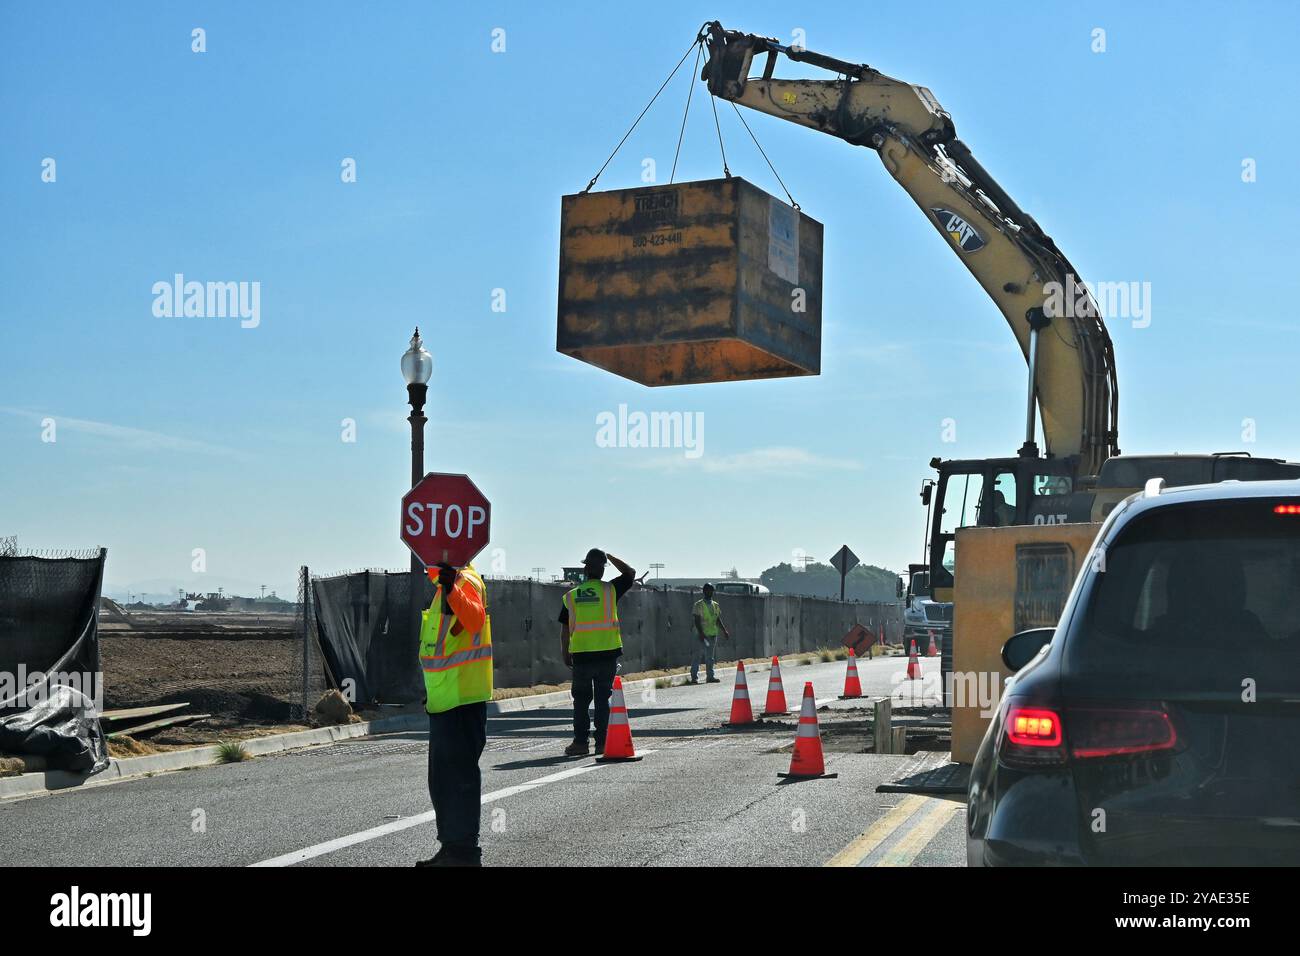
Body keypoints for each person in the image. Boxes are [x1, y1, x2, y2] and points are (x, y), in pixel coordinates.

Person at [416, 562, 491, 867]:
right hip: (447, 698)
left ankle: (462, 852)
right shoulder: (444, 586)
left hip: (461, 698)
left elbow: (473, 620)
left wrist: (453, 587)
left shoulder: (465, 580)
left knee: (457, 777)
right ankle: (453, 849)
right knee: (445, 779)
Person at [558, 548, 635, 757]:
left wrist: (565, 653)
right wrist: (610, 557)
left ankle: (580, 743)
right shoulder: (611, 590)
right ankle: (602, 743)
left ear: (585, 569)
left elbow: (565, 629)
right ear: (602, 569)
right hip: (607, 654)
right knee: (603, 698)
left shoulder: (571, 596)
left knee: (581, 700)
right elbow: (630, 573)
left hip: (582, 655)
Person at [690, 583, 730, 684]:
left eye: (711, 590)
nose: (710, 592)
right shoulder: (698, 604)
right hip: (700, 635)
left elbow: (717, 619)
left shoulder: (715, 605)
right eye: (708, 590)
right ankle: (694, 677)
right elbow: (697, 620)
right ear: (704, 591)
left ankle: (710, 677)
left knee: (710, 657)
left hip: (712, 634)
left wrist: (724, 630)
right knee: (697, 656)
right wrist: (701, 633)